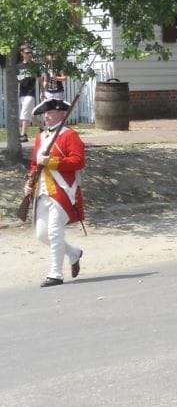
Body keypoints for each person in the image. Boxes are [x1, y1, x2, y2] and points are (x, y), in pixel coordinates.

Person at [24, 98, 85, 287]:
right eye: (45, 113)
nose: (46, 116)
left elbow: (78, 161)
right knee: (42, 234)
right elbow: (35, 164)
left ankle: (56, 274)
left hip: (62, 190)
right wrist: (29, 183)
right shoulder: (41, 137)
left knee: (54, 231)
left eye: (49, 112)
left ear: (61, 113)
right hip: (42, 189)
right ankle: (73, 253)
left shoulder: (70, 135)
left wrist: (51, 162)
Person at [16, 45, 38, 142]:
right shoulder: (19, 66)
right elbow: (17, 80)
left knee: (24, 112)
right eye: (27, 52)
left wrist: (42, 92)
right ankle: (43, 127)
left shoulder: (34, 66)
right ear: (22, 53)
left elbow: (40, 79)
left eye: (31, 52)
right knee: (29, 114)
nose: (29, 54)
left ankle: (23, 135)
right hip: (22, 93)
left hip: (30, 93)